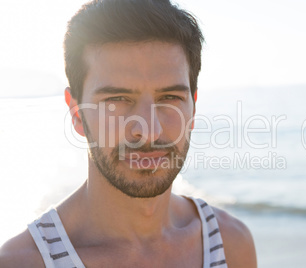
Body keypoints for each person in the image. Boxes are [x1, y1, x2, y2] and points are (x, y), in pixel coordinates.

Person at [0, 0, 257, 267]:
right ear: (77, 113)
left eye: (169, 98)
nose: (148, 131)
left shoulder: (231, 244)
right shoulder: (24, 262)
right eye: (117, 99)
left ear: (192, 110)